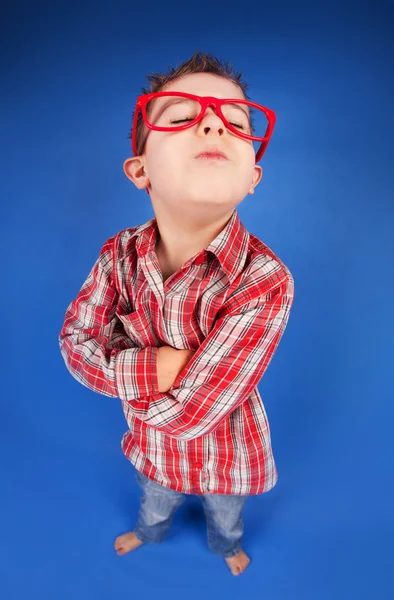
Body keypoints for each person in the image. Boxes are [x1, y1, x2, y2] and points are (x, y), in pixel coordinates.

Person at [59, 51, 294, 576]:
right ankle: (149, 532)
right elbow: (75, 340)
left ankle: (225, 546)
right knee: (154, 500)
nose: (213, 122)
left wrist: (123, 369)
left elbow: (196, 411)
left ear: (253, 176)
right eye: (183, 116)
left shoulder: (264, 280)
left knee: (226, 515)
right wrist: (160, 368)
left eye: (235, 122)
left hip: (230, 454)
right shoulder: (118, 256)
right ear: (140, 170)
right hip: (152, 450)